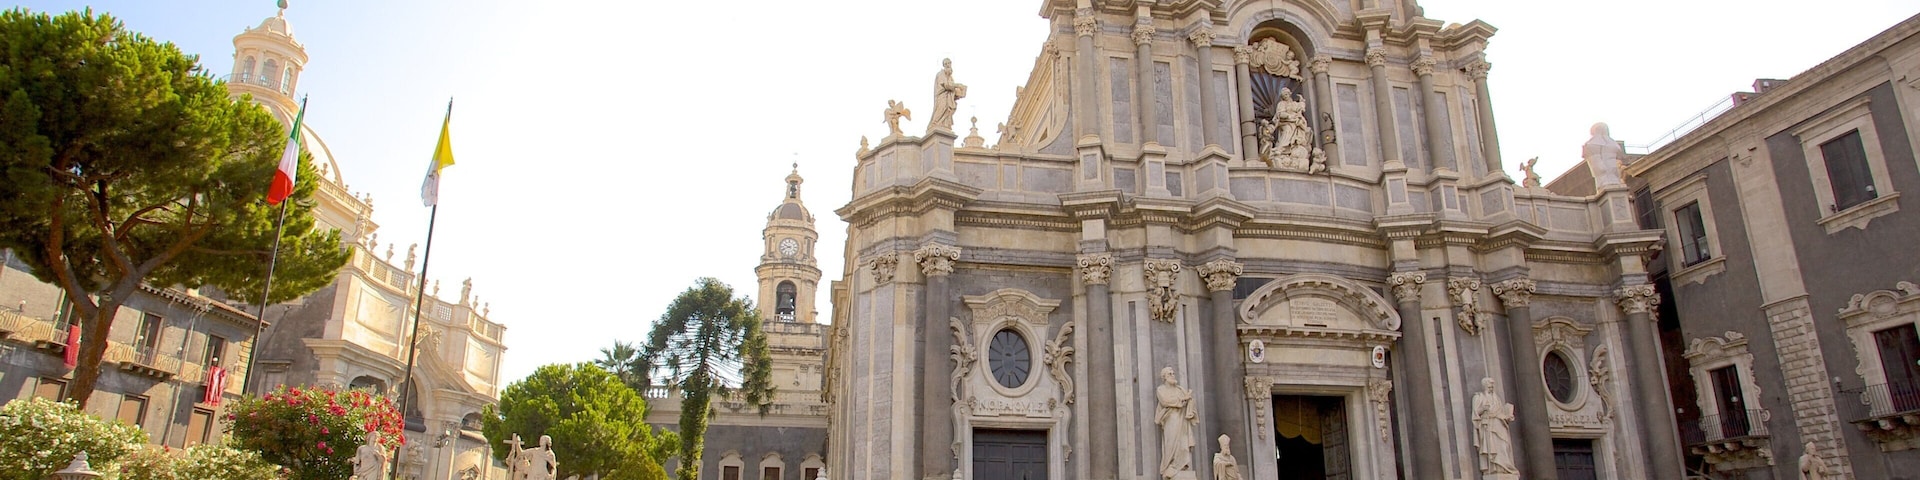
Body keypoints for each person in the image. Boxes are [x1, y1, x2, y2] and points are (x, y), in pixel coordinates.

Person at [1155, 367, 1197, 479]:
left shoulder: (1180, 390)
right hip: (1170, 419)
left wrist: (1190, 404)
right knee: (1171, 443)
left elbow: (1189, 401)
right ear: (1164, 377)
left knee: (1183, 444)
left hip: (1182, 419)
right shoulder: (1161, 389)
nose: (1173, 375)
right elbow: (1165, 401)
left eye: (1173, 373)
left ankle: (1181, 465)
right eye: (1170, 374)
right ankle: (1170, 465)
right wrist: (1183, 399)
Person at [1471, 378, 1518, 474]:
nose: (1491, 387)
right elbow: (1475, 413)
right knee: (1493, 448)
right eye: (1489, 385)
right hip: (1488, 425)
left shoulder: (1497, 398)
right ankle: (1494, 468)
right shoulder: (1479, 397)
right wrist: (1483, 408)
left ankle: (1504, 468)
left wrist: (1507, 417)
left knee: (1504, 446)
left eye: (1492, 385)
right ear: (1484, 385)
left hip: (1499, 425)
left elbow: (1501, 412)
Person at [929, 58, 967, 131]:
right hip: (941, 96)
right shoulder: (941, 74)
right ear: (943, 66)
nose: (947, 65)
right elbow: (946, 85)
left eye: (948, 63)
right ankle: (935, 123)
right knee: (940, 110)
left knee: (948, 111)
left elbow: (951, 88)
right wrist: (958, 85)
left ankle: (944, 124)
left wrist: (958, 94)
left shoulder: (950, 77)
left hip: (948, 97)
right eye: (945, 64)